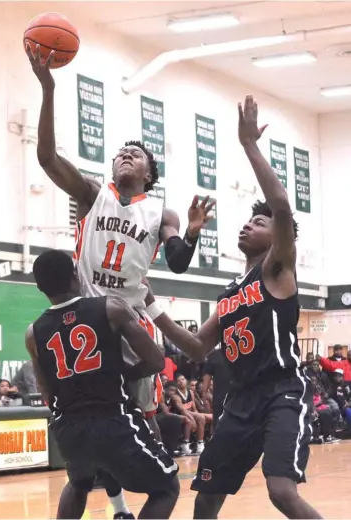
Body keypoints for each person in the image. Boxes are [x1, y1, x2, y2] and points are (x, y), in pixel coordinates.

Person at [26, 43, 212, 516]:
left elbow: (177, 261)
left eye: (136, 153)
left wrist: (189, 233)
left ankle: (125, 495)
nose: (126, 155)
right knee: (89, 442)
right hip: (83, 310)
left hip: (127, 320)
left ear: (149, 174)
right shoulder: (93, 195)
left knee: (134, 419)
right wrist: (48, 89)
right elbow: (47, 158)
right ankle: (116, 503)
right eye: (120, 153)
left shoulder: (160, 210)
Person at [143, 95, 322, 518]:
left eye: (258, 223)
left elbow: (280, 205)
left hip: (281, 392)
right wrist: (149, 303)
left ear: (276, 235)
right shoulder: (228, 294)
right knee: (205, 497)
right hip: (239, 402)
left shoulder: (277, 270)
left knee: (281, 490)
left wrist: (249, 146)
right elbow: (195, 348)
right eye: (247, 220)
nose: (248, 224)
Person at [26, 250, 180, 520]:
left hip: (69, 427)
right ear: (76, 275)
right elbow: (156, 360)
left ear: (39, 287)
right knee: (166, 487)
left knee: (78, 483)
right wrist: (125, 374)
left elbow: (47, 394)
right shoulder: (110, 308)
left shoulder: (33, 332)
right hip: (112, 419)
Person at [201, 346, 232, 426]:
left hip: (232, 399)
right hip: (222, 400)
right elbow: (205, 385)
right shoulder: (214, 356)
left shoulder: (242, 354)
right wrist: (205, 401)